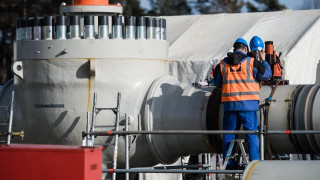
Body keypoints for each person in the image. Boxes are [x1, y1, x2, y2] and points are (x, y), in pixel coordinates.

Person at [214, 37, 272, 168]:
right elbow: (267, 75)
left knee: (229, 136)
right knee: (251, 135)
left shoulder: (222, 64)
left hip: (229, 106)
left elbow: (217, 83)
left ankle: (228, 165)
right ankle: (255, 165)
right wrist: (263, 60)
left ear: (234, 48)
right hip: (248, 105)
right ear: (246, 49)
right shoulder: (251, 62)